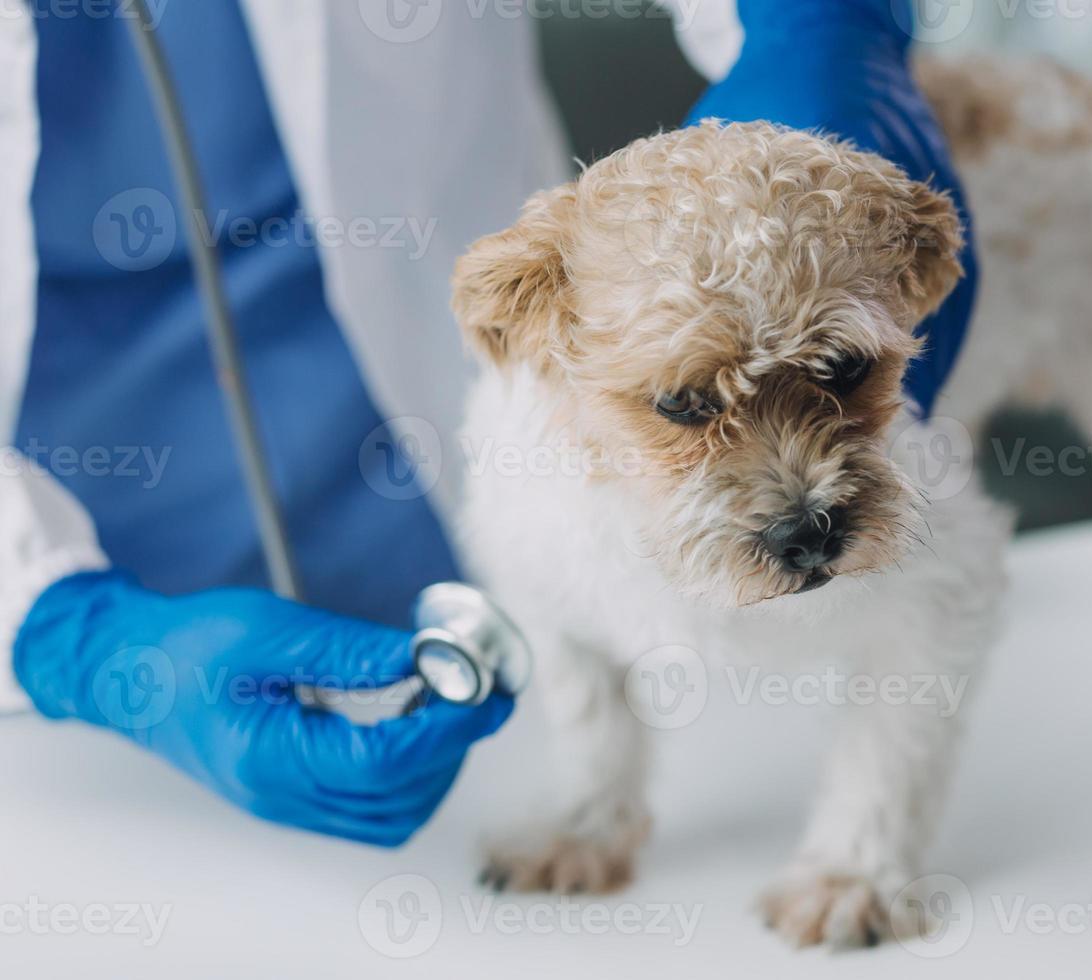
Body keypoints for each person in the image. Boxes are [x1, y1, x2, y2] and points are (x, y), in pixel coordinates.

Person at [0, 0, 978, 846]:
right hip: (77, 533)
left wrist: (817, 20)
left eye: (840, 372)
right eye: (690, 404)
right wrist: (65, 628)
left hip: (425, 454)